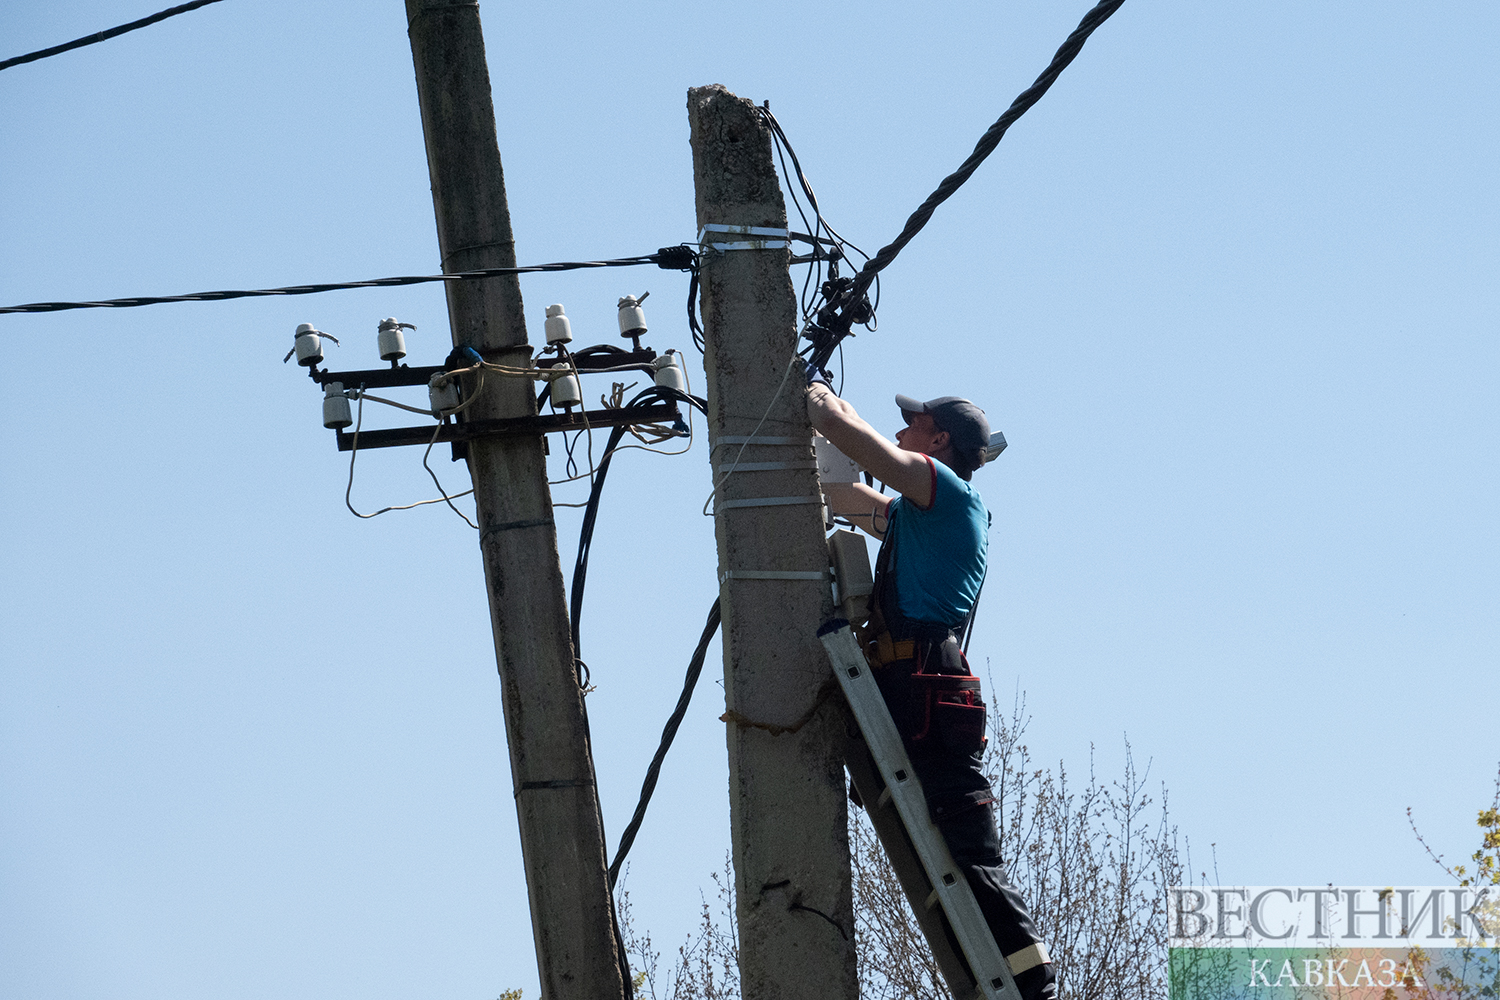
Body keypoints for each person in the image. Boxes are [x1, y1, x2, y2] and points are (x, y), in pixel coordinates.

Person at [807, 374, 1057, 1000]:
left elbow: (855, 439)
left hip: (928, 683)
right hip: (911, 682)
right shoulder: (915, 514)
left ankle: (1037, 988)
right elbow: (840, 490)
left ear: (938, 441)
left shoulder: (946, 491)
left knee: (966, 846)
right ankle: (990, 974)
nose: (902, 432)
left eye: (914, 426)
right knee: (939, 846)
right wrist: (826, 433)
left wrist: (813, 392)